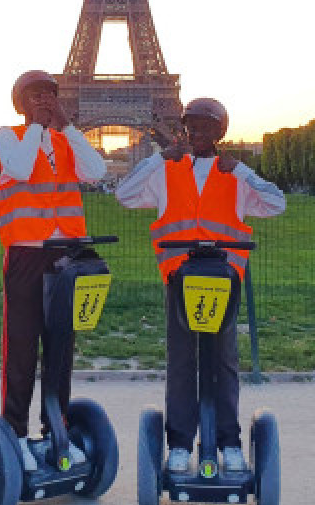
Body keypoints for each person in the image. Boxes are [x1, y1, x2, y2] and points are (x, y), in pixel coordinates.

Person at [116, 98, 285, 473]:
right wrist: (158, 159)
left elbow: (277, 203)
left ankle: (229, 440)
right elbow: (124, 195)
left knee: (223, 360)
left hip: (224, 279)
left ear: (220, 131)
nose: (198, 133)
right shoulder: (167, 171)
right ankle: (180, 442)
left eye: (207, 126)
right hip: (179, 278)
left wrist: (242, 170)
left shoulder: (234, 175)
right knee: (182, 361)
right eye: (192, 126)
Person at [0, 70, 107, 471]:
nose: (43, 100)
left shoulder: (65, 142)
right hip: (26, 255)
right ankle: (16, 433)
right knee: (21, 350)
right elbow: (22, 169)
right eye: (34, 95)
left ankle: (56, 430)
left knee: (60, 351)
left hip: (66, 256)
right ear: (20, 104)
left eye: (48, 94)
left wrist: (68, 127)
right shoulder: (8, 136)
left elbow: (96, 171)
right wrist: (37, 128)